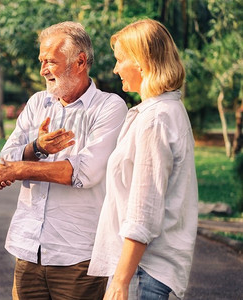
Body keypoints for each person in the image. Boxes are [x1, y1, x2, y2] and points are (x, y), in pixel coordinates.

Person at [0, 22, 128, 299]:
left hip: (78, 257)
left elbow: (84, 173)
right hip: (27, 250)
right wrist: (36, 147)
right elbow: (7, 154)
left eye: (50, 61)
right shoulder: (37, 103)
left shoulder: (110, 107)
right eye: (41, 61)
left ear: (80, 61)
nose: (43, 70)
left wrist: (16, 169)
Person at [87, 19, 198, 300]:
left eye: (120, 59)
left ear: (141, 62)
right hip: (143, 267)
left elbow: (144, 210)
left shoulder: (156, 118)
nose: (115, 68)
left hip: (142, 270)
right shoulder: (165, 110)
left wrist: (120, 281)